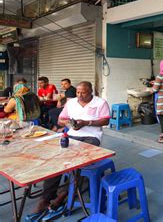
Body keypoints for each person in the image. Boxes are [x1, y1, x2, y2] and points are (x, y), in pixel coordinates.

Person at [27, 81, 110, 221]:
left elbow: (105, 121)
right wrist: (68, 123)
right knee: (56, 161)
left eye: (83, 92)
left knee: (78, 162)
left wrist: (86, 122)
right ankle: (45, 198)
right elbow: (61, 120)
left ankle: (62, 195)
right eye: (78, 92)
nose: (79, 95)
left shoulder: (100, 102)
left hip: (92, 137)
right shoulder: (71, 103)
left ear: (91, 92)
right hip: (72, 135)